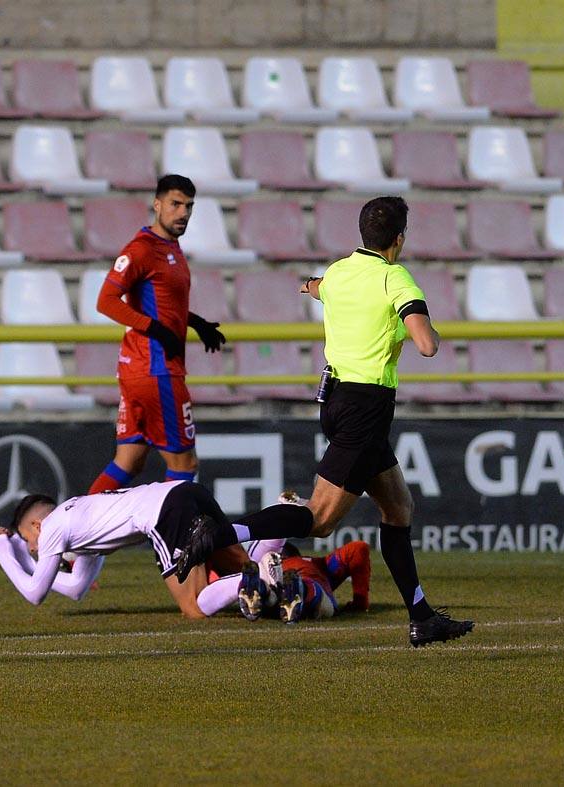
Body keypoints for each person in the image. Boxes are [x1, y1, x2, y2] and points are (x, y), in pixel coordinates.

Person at [186, 197, 474, 647]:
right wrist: (431, 330)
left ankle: (421, 616)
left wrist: (309, 286)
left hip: (337, 400)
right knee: (320, 520)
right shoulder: (395, 277)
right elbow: (426, 345)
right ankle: (221, 532)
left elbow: (317, 286)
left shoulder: (340, 271)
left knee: (398, 509)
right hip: (366, 406)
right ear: (400, 237)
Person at [88, 174, 226, 495]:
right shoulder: (141, 250)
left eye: (189, 206)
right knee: (184, 465)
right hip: (156, 370)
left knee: (128, 461)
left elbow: (164, 304)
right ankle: (171, 543)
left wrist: (195, 323)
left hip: (142, 370)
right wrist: (156, 330)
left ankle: (77, 538)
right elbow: (105, 301)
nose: (183, 213)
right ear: (157, 204)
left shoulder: (171, 249)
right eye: (176, 204)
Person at [0, 481, 226, 608]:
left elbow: (35, 594)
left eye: (27, 540)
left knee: (193, 607)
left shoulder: (52, 526)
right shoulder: (80, 520)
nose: (32, 548)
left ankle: (244, 583)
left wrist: (2, 548)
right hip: (187, 490)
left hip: (164, 511)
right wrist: (30, 565)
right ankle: (256, 581)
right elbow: (76, 588)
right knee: (234, 556)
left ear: (37, 526)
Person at [193, 538, 372, 624]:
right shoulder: (320, 564)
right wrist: (360, 600)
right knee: (323, 603)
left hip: (265, 571)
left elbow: (214, 581)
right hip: (308, 579)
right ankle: (299, 588)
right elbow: (359, 548)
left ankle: (262, 588)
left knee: (269, 600)